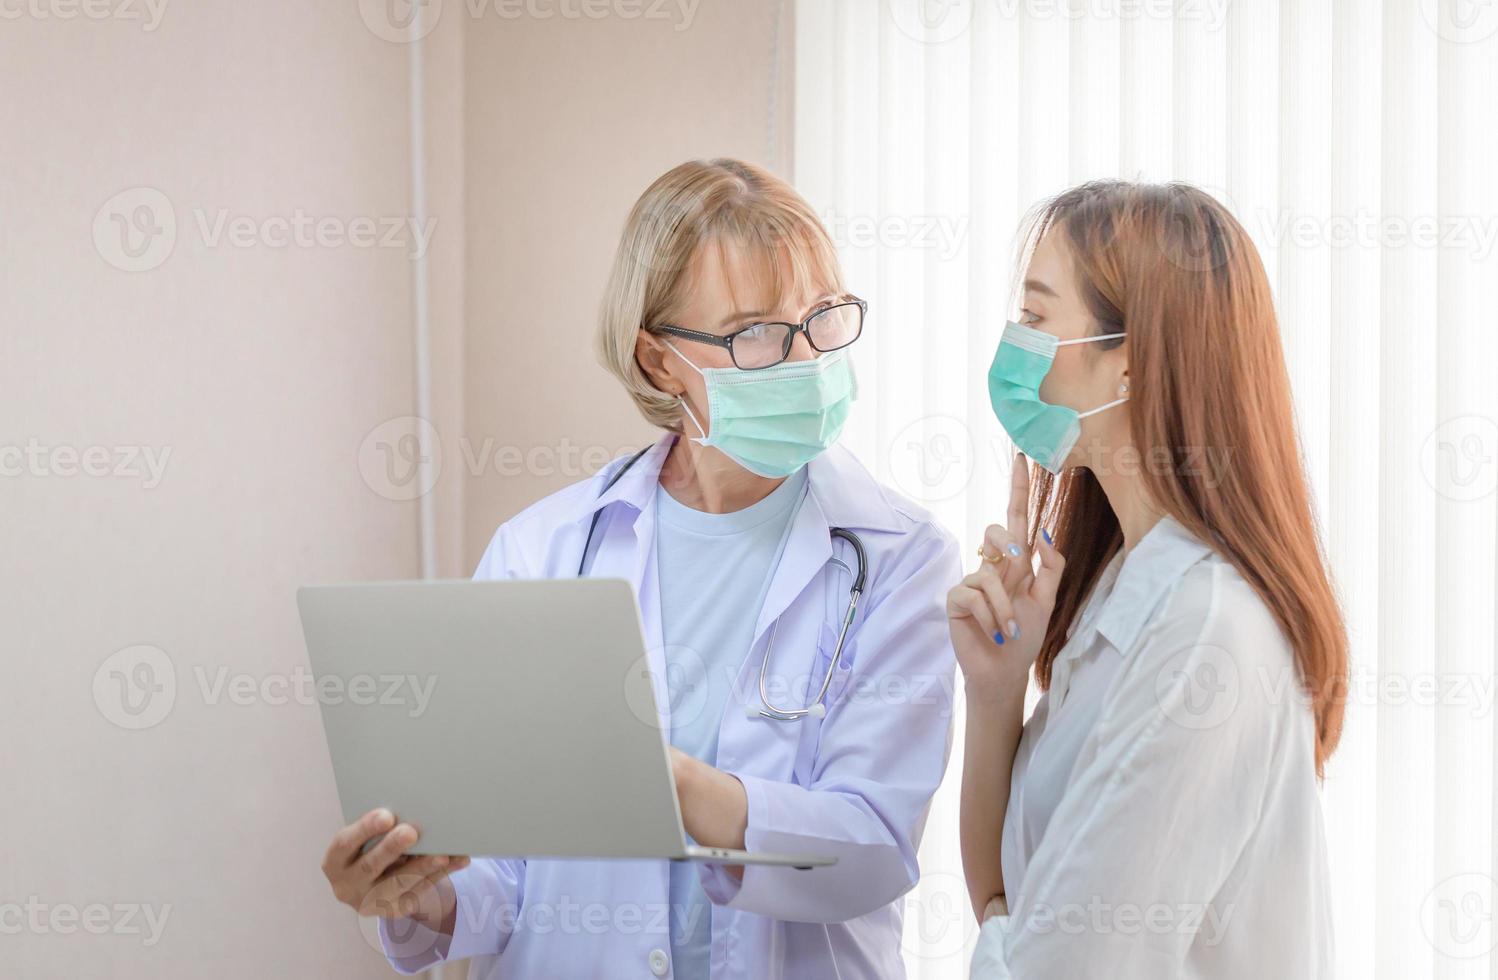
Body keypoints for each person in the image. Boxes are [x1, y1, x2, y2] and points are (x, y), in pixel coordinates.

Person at [319, 158, 960, 980]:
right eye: (757, 333)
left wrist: (670, 785)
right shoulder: (542, 551)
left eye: (823, 318)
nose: (804, 359)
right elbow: (509, 873)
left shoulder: (899, 555)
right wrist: (418, 897)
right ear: (659, 362)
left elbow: (871, 851)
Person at [950, 180, 1347, 977]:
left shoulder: (1207, 630)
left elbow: (1057, 961)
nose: (1012, 347)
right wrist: (995, 694)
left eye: (1035, 319)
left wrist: (1010, 938)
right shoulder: (1120, 586)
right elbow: (1010, 895)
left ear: (1127, 362)